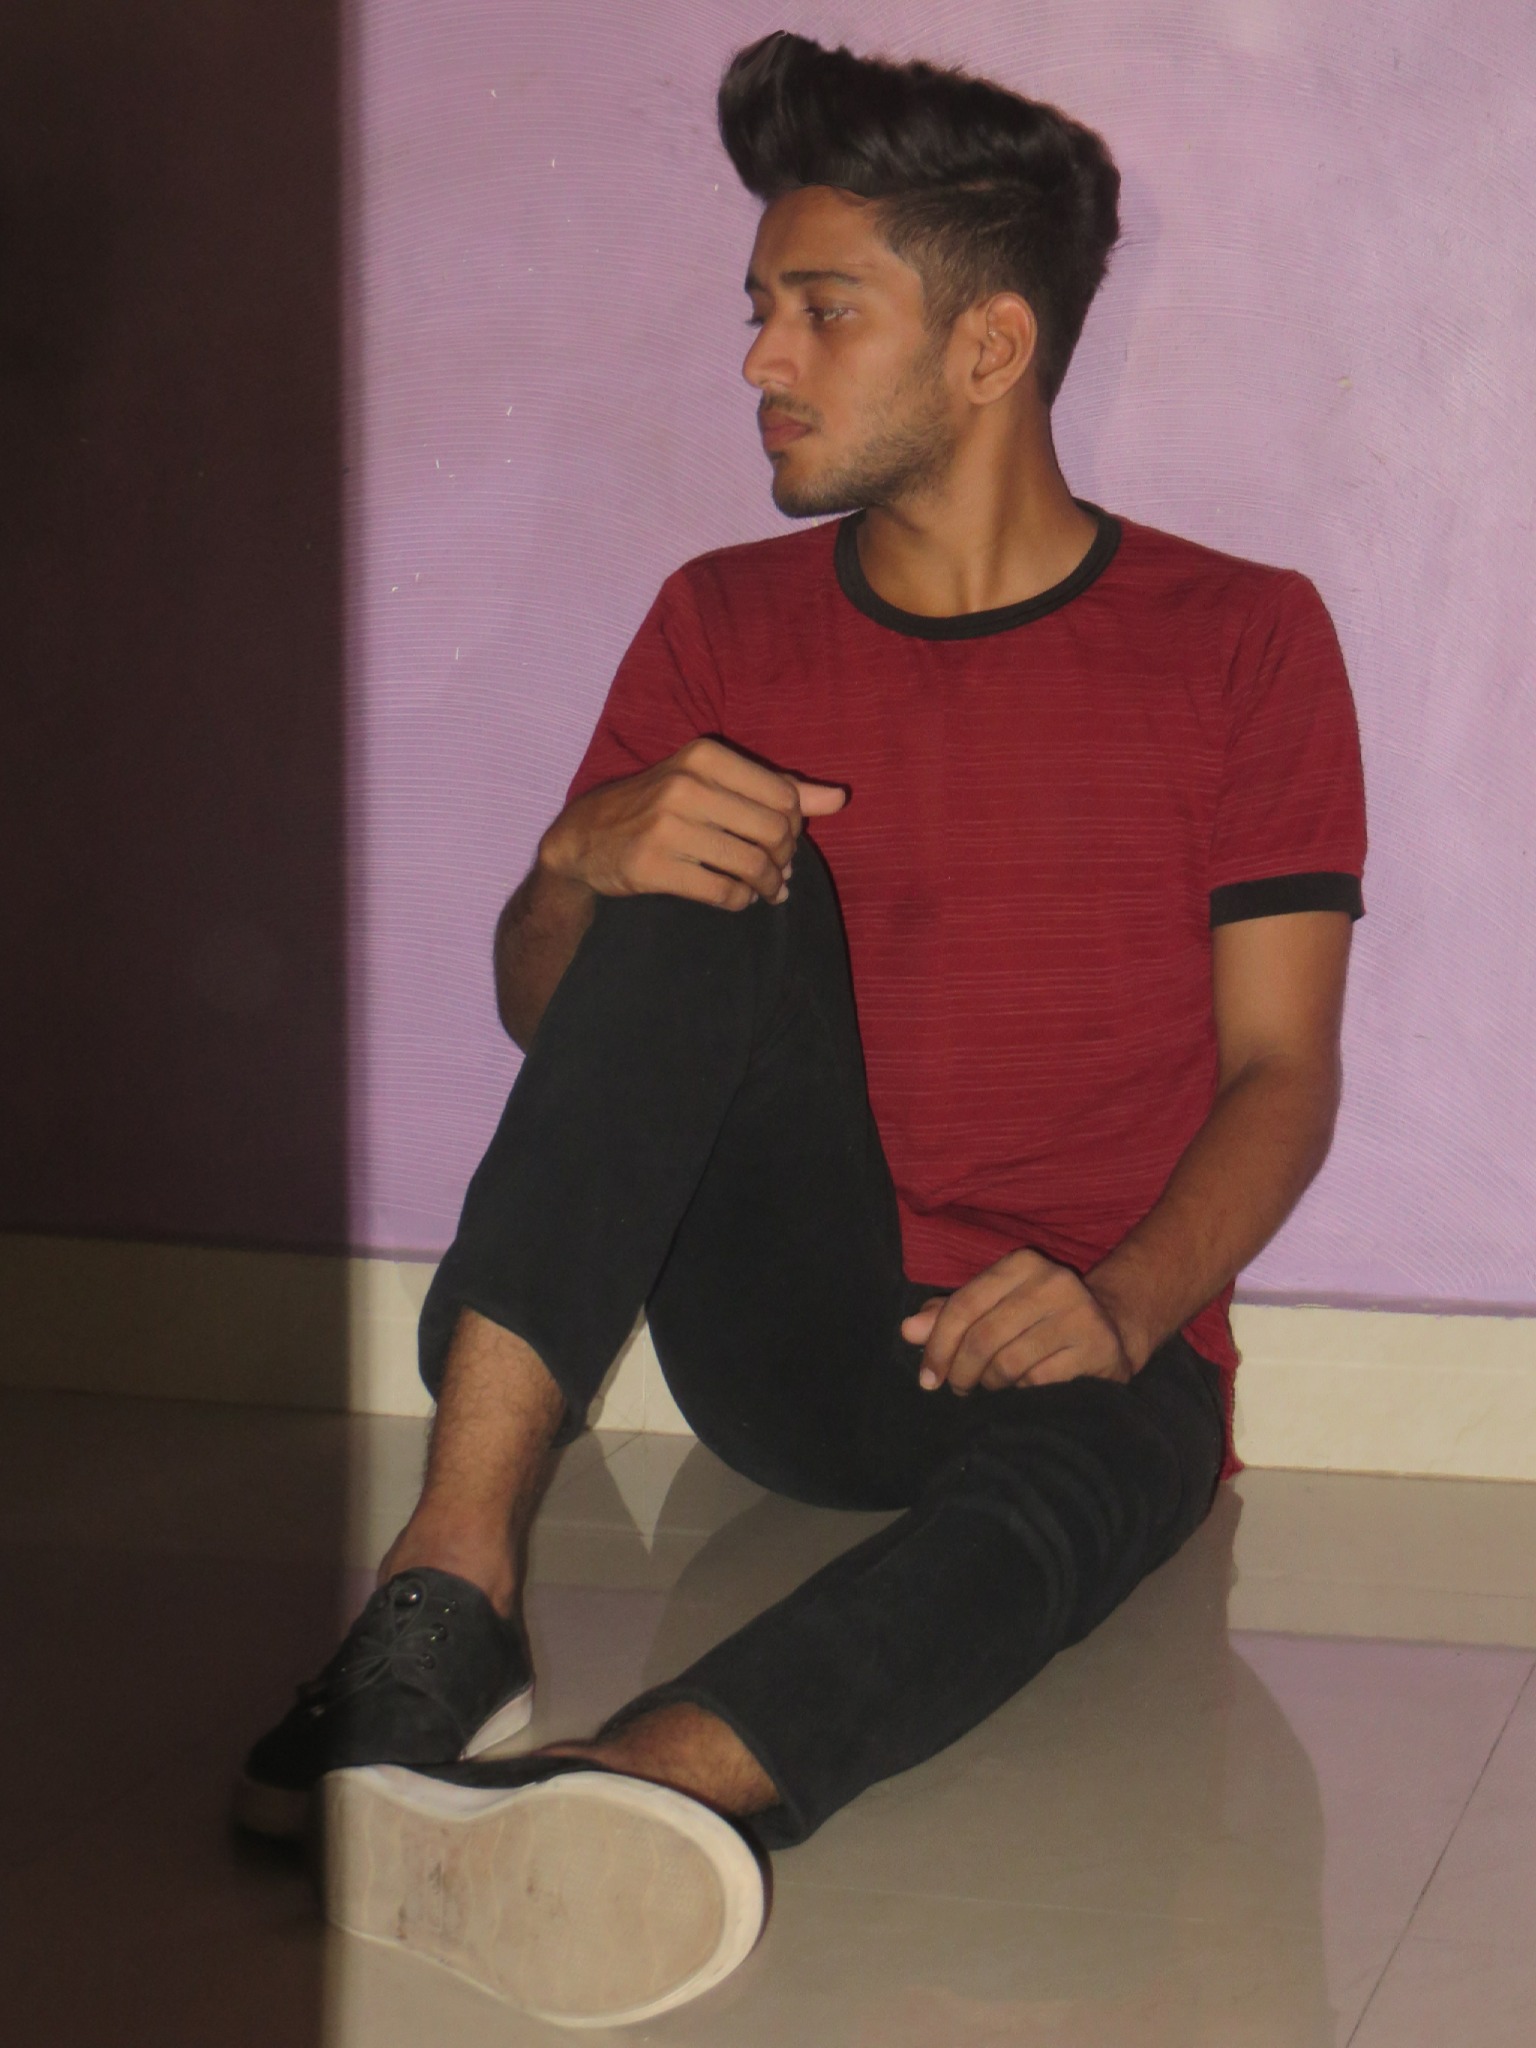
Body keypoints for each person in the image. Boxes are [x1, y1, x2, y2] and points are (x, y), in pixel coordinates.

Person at [237, 30, 1366, 2029]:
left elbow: (1284, 1070)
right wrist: (578, 858)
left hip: (1079, 1343)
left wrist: (1123, 1299)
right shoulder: (721, 620)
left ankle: (634, 1790)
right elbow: (559, 1021)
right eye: (761, 308)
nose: (761, 358)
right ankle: (447, 1588)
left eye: (822, 311)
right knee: (691, 878)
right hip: (790, 1328)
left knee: (1070, 1504)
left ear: (991, 346)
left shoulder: (1242, 634)